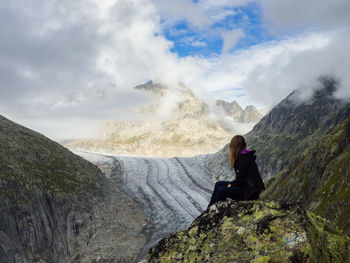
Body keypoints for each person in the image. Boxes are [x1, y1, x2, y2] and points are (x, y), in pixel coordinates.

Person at [207, 135, 265, 208]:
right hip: (248, 189)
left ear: (234, 147)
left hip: (249, 193)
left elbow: (240, 179)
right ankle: (210, 208)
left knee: (221, 191)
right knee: (218, 184)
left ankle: (215, 211)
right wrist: (231, 184)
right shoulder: (245, 155)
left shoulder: (242, 158)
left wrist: (231, 185)